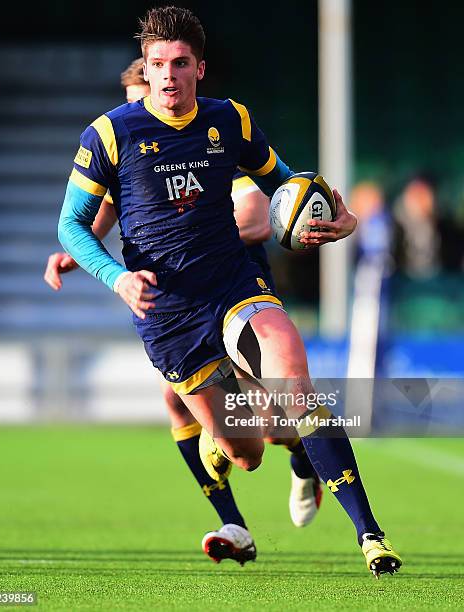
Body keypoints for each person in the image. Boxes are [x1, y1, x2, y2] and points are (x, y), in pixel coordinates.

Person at [57, 6, 401, 577]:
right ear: (145, 67)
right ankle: (280, 463)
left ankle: (371, 535)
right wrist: (113, 274)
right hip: (169, 313)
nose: (167, 74)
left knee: (295, 383)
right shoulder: (109, 133)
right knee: (247, 451)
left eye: (180, 63)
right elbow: (72, 223)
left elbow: (285, 185)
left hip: (234, 285)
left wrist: (333, 218)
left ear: (200, 68)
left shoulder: (229, 121)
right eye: (157, 63)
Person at [46, 58, 327, 565]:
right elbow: (104, 212)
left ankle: (305, 456)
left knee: (267, 422)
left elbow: (260, 215)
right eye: (134, 105)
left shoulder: (210, 143)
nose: (143, 116)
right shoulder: (127, 149)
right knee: (179, 401)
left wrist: (191, 238)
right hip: (172, 304)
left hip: (232, 291)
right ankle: (233, 522)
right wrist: (81, 252)